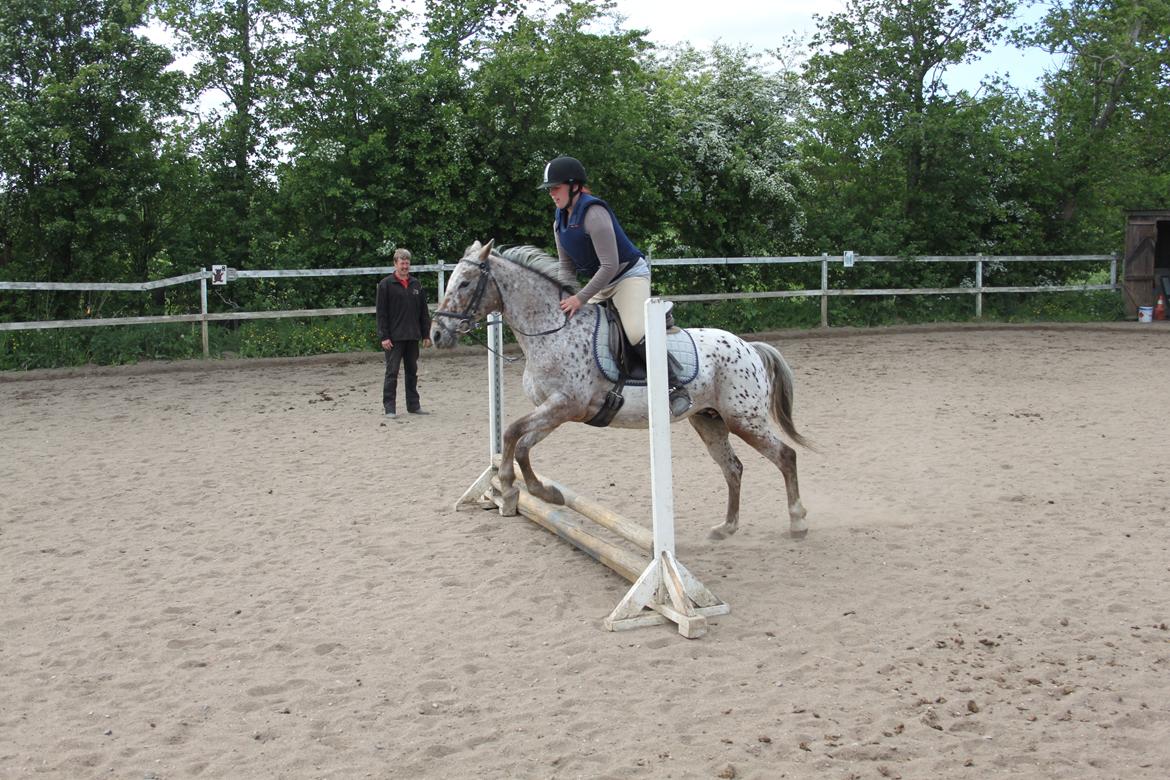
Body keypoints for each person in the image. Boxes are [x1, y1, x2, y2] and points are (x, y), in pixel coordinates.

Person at [539, 155, 691, 416]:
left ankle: (675, 386)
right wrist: (564, 297)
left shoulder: (594, 214)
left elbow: (609, 265)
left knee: (633, 332)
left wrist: (581, 298)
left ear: (574, 185)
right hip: (603, 283)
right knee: (577, 326)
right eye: (550, 189)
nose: (552, 193)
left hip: (628, 276)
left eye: (556, 187)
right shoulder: (559, 221)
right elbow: (567, 269)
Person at [375, 248, 432, 417]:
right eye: (402, 263)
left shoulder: (416, 284)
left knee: (412, 372)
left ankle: (413, 405)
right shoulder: (386, 285)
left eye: (407, 263)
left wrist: (426, 334)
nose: (405, 266)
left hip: (412, 336)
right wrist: (384, 336)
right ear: (395, 263)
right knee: (392, 372)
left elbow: (423, 311)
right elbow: (381, 313)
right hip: (394, 337)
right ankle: (390, 407)